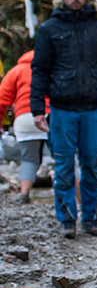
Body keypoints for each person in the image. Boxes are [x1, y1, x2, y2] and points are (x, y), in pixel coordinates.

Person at [29, 0, 97, 238]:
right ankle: (67, 220)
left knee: (92, 165)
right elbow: (40, 70)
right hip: (61, 109)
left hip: (93, 109)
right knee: (64, 167)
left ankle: (91, 218)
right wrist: (37, 108)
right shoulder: (49, 29)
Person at [0, 50, 50, 204]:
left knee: (28, 159)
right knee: (62, 158)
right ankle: (78, 201)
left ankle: (24, 194)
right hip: (50, 116)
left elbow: (2, 99)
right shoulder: (53, 68)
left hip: (24, 117)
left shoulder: (16, 71)